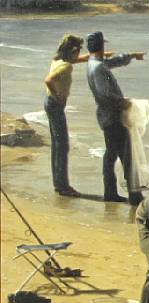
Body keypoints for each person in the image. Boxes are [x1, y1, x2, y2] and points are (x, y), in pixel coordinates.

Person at [85, 31, 145, 205]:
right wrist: (122, 103)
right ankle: (135, 196)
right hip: (112, 117)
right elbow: (105, 94)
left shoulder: (93, 63)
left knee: (111, 154)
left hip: (105, 116)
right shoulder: (98, 67)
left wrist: (131, 56)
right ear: (102, 46)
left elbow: (112, 62)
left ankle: (110, 192)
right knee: (126, 155)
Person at [44, 34, 93, 197]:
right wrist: (58, 96)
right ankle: (63, 186)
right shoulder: (66, 67)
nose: (79, 55)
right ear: (73, 51)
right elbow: (49, 80)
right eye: (78, 52)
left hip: (49, 104)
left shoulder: (58, 60)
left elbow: (78, 60)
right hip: (55, 105)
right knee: (62, 145)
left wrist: (99, 55)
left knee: (57, 145)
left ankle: (58, 183)